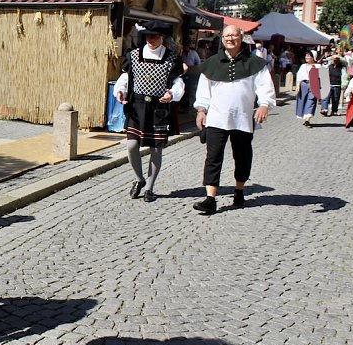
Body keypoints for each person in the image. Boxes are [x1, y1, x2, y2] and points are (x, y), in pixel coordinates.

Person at [193, 25, 276, 215]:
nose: (230, 38)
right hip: (216, 118)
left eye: (233, 35)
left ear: (241, 38)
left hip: (242, 118)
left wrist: (264, 104)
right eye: (226, 35)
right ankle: (210, 199)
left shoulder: (255, 63)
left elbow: (265, 87)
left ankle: (239, 190)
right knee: (213, 158)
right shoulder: (211, 63)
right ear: (222, 39)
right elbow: (204, 91)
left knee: (242, 156)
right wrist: (201, 109)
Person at [113, 21, 184, 202]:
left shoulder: (172, 58)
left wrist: (172, 95)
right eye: (149, 36)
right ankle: (139, 179)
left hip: (158, 108)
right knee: (131, 146)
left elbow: (177, 82)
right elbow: (125, 78)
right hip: (137, 107)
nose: (151, 39)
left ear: (162, 37)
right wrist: (119, 92)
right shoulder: (133, 55)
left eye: (155, 36)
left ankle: (150, 188)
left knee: (156, 149)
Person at [294, 50, 321, 127]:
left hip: (314, 85)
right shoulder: (303, 66)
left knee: (311, 101)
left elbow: (322, 78)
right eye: (306, 55)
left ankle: (307, 119)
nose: (307, 57)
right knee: (302, 100)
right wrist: (297, 85)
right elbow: (299, 76)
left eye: (309, 55)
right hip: (304, 84)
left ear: (313, 57)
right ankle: (304, 115)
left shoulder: (318, 66)